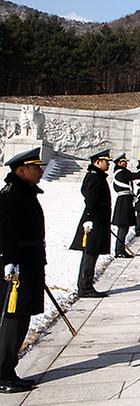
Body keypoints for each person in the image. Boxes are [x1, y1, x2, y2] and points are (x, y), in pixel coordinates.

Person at [0, 148, 47, 393]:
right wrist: (10, 259)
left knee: (21, 319)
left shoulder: (23, 192)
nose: (41, 170)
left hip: (28, 263)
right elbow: (5, 230)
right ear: (21, 170)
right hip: (17, 268)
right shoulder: (11, 196)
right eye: (36, 167)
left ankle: (8, 369)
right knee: (13, 320)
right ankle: (2, 374)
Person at [69, 150, 114, 298]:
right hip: (93, 221)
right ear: (97, 162)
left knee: (92, 253)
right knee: (90, 253)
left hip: (97, 220)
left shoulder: (97, 176)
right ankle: (85, 286)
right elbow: (90, 199)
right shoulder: (94, 178)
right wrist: (89, 217)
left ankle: (86, 284)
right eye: (105, 161)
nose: (108, 164)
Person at [111, 153, 140, 258]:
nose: (126, 163)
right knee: (123, 227)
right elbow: (135, 175)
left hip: (126, 200)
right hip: (123, 202)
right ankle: (119, 250)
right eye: (124, 162)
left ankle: (120, 249)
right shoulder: (121, 172)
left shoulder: (123, 172)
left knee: (125, 227)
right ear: (119, 163)